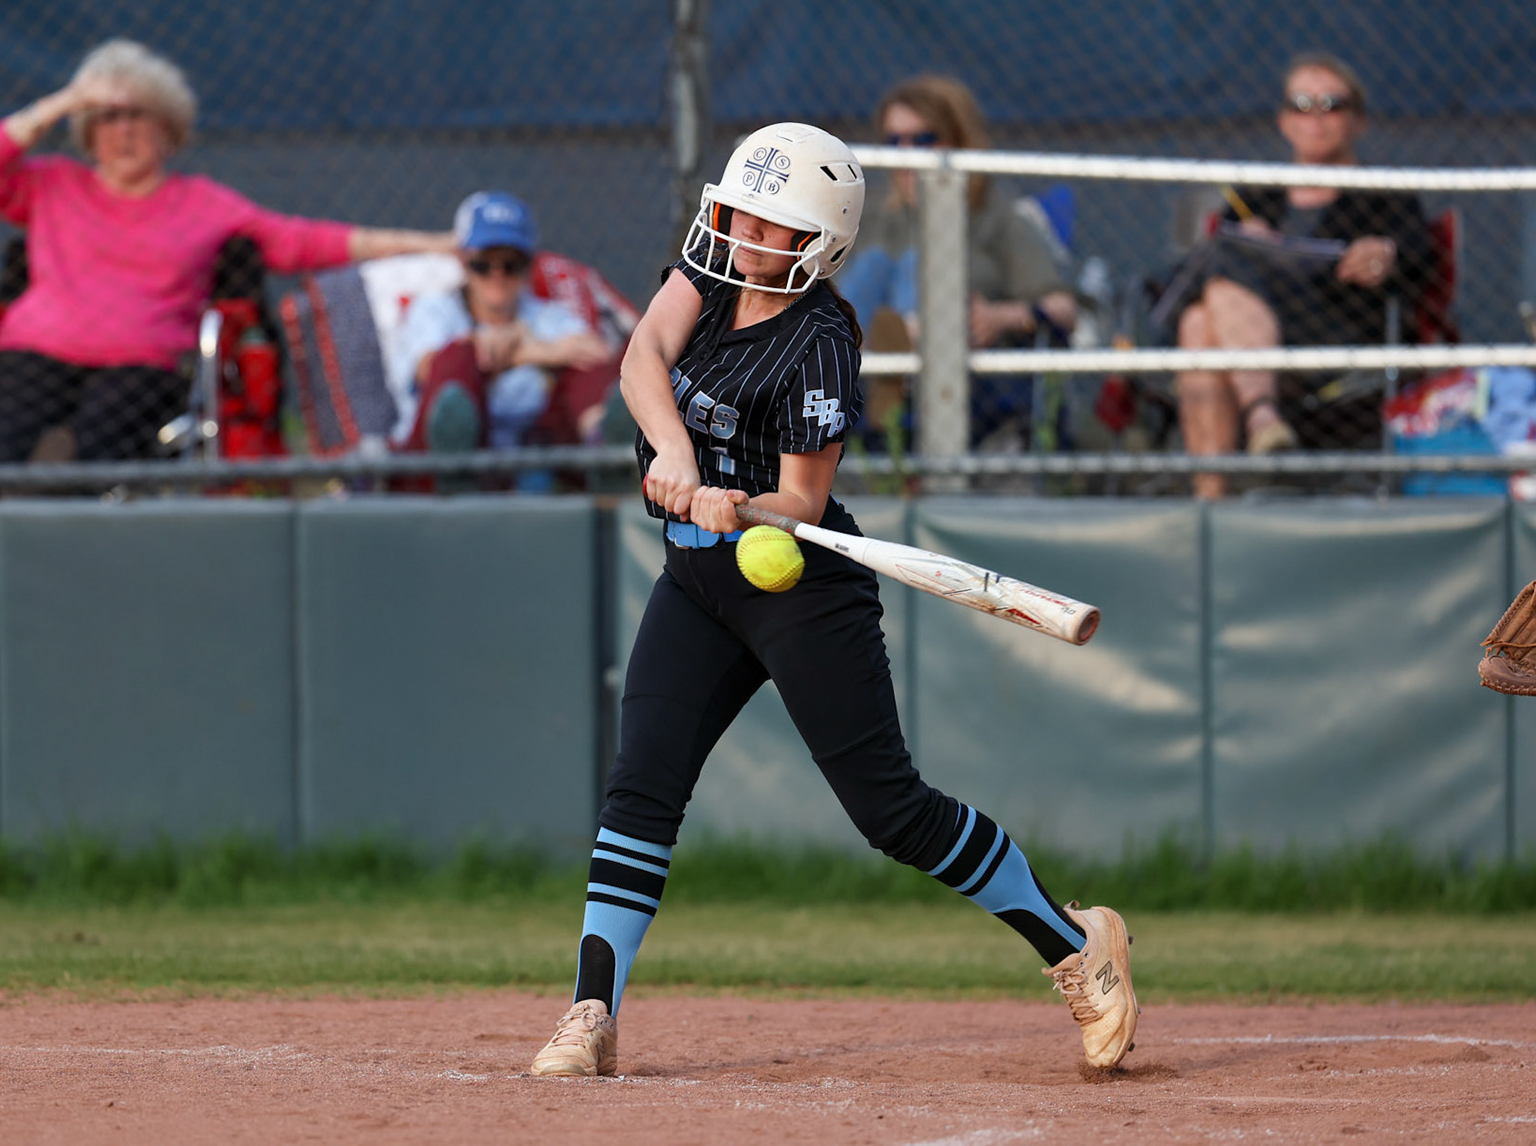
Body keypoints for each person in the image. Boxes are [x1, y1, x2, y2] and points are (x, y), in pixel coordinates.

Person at [526, 122, 1138, 1080]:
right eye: (736, 214)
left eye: (768, 225)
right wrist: (682, 465)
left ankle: (1076, 942)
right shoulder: (710, 271)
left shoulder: (821, 341)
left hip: (797, 586)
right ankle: (590, 1013)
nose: (741, 233)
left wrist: (740, 503)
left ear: (817, 246)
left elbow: (802, 502)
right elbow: (643, 354)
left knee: (891, 814)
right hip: (693, 578)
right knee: (640, 787)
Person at [0, 38, 453, 463]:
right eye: (107, 117)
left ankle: (67, 507)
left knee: (103, 439)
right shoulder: (51, 186)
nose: (124, 130)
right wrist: (66, 100)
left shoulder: (205, 205)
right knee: (7, 435)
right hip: (35, 351)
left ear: (168, 131)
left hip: (139, 362)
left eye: (138, 116)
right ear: (87, 132)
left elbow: (307, 241)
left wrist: (433, 245)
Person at [1172, 53, 1433, 498]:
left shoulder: (1383, 194)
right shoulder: (1257, 194)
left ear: (1359, 121)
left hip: (1336, 336)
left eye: (1332, 103)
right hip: (1254, 333)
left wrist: (1386, 254)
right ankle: (1258, 429)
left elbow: (1422, 260)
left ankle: (1213, 495)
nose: (1316, 116)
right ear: (1283, 121)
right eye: (1301, 104)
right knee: (1207, 303)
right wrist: (1250, 241)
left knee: (1204, 318)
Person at [841, 76, 1080, 440]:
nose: (904, 155)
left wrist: (999, 317)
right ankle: (850, 365)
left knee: (916, 263)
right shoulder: (877, 217)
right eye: (894, 141)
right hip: (864, 362)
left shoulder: (996, 217)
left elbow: (1063, 307)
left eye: (922, 140)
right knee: (873, 264)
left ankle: (898, 370)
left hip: (962, 373)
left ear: (959, 140)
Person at [391, 191, 620, 455]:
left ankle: (604, 446)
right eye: (483, 264)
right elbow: (429, 368)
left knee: (589, 364)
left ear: (529, 265)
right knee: (457, 358)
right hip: (439, 460)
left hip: (534, 453)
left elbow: (596, 352)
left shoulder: (545, 314)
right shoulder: (435, 308)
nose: (497, 275)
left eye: (511, 264)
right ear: (462, 260)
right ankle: (452, 473)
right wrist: (539, 351)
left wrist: (511, 350)